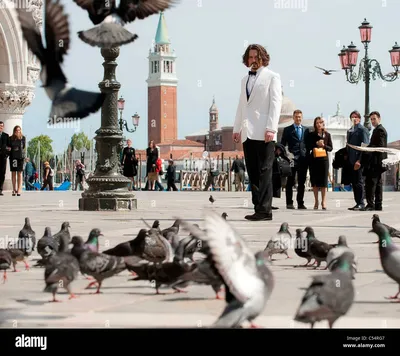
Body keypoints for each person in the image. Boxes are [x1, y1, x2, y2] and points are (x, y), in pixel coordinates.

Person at [233, 44, 282, 221]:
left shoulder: (272, 77)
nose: (253, 60)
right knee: (253, 172)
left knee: (264, 171)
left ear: (262, 58)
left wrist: (271, 128)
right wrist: (236, 128)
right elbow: (241, 105)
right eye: (250, 57)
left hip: (264, 132)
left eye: (256, 57)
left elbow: (276, 104)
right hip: (247, 132)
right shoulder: (243, 80)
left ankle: (265, 210)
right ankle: (258, 208)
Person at [358, 111, 387, 211]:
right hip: (377, 161)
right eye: (371, 119)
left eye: (374, 119)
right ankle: (378, 205)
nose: (373, 121)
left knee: (371, 183)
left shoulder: (380, 130)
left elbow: (380, 146)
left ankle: (370, 204)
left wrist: (368, 147)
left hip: (376, 162)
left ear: (379, 118)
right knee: (378, 184)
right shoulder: (376, 130)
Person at [280, 110, 310, 209]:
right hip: (292, 160)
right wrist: (286, 156)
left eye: (300, 117)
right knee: (290, 181)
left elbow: (308, 145)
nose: (298, 118)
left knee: (302, 182)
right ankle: (289, 203)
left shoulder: (306, 130)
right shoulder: (287, 130)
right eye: (296, 117)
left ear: (302, 117)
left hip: (303, 159)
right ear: (293, 118)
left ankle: (300, 203)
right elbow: (282, 145)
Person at [307, 117, 333, 210]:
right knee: (315, 181)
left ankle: (323, 201)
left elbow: (331, 148)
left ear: (323, 124)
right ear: (315, 124)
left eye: (320, 123)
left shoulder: (327, 135)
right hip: (314, 160)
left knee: (323, 182)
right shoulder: (311, 135)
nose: (319, 124)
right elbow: (307, 146)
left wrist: (324, 146)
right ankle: (316, 201)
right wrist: (316, 144)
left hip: (323, 160)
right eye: (317, 123)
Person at [346, 110, 370, 210]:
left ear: (359, 119)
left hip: (358, 161)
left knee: (359, 182)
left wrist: (359, 160)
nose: (354, 119)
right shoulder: (350, 130)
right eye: (352, 117)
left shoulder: (362, 129)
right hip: (351, 160)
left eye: (356, 117)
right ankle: (357, 202)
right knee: (354, 182)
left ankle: (361, 203)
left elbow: (364, 146)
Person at [8, 125, 26, 196]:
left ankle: (19, 189)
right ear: (14, 131)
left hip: (20, 157)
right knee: (13, 173)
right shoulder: (10, 138)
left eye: (19, 130)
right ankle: (14, 189)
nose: (18, 132)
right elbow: (9, 147)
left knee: (19, 173)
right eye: (16, 130)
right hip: (13, 157)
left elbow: (23, 146)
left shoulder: (23, 138)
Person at [0, 121, 11, 195]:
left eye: (1, 126)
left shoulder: (6, 136)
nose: (0, 127)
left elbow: (9, 147)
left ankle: (0, 189)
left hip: (3, 157)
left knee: (2, 173)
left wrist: (7, 154)